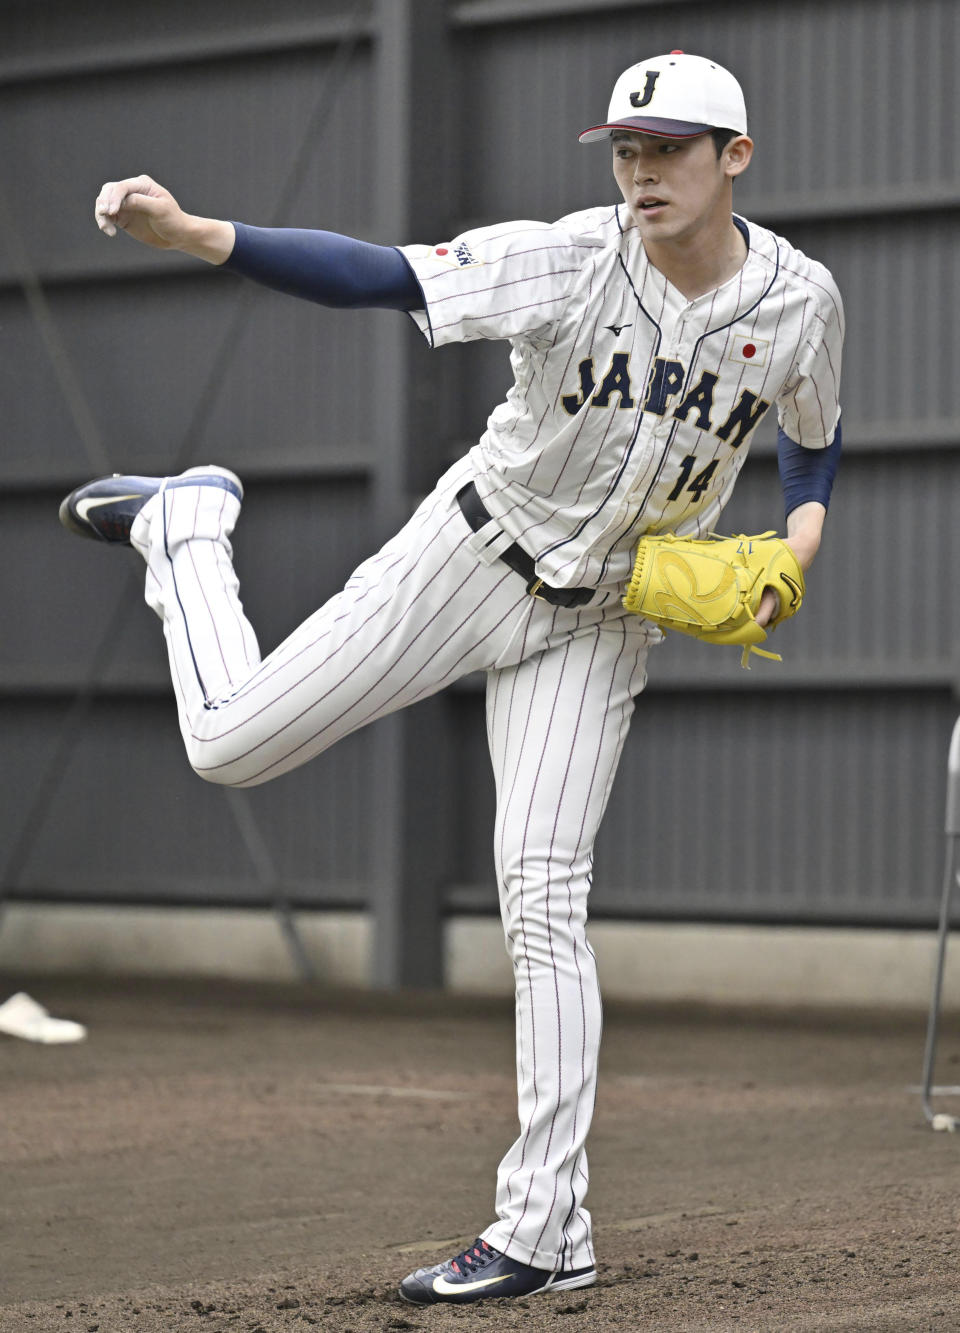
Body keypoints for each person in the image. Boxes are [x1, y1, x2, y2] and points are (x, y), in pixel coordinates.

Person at [60, 51, 843, 1305]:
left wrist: (795, 550)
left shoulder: (802, 301)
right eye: (625, 148)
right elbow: (383, 275)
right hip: (469, 556)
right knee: (225, 744)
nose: (640, 170)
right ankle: (189, 530)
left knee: (545, 895)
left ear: (734, 159)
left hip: (603, 619)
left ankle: (548, 1230)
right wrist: (197, 231)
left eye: (669, 149)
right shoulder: (573, 256)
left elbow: (814, 435)